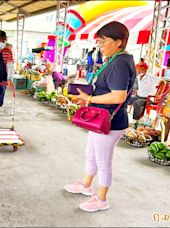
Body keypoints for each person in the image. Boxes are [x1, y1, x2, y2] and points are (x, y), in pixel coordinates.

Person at [65, 21, 136, 212]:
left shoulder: (120, 63)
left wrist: (89, 99)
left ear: (119, 42)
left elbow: (118, 95)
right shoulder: (115, 59)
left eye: (103, 41)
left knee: (104, 162)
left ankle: (102, 199)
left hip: (110, 121)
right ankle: (86, 185)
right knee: (91, 154)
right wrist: (89, 97)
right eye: (99, 42)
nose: (100, 45)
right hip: (102, 118)